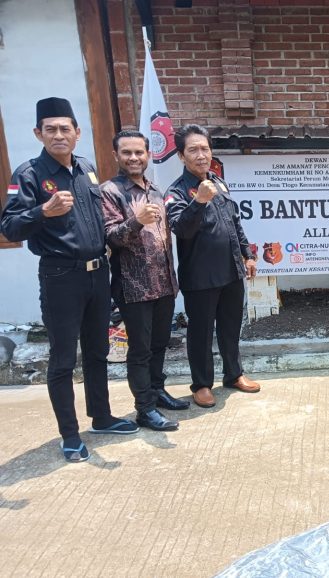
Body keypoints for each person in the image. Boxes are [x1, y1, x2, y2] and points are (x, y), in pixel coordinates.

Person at [0, 97, 138, 462]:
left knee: (98, 351)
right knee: (63, 359)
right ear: (39, 133)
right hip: (61, 276)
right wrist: (42, 211)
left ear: (77, 133)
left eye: (65, 129)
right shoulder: (29, 175)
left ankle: (102, 417)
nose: (59, 135)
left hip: (98, 273)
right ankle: (70, 435)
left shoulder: (86, 169)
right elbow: (9, 226)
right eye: (51, 129)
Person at [165, 124, 261, 408]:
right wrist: (198, 202)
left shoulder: (219, 181)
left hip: (231, 271)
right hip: (200, 277)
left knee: (231, 327)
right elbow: (181, 229)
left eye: (205, 149)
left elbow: (234, 222)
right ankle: (202, 384)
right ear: (181, 156)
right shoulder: (176, 192)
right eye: (193, 150)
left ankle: (234, 374)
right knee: (201, 333)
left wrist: (247, 254)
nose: (201, 155)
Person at [101, 130, 189, 432]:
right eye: (127, 152)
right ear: (116, 155)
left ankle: (157, 391)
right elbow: (111, 237)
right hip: (133, 286)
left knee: (159, 344)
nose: (134, 158)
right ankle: (144, 408)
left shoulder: (154, 190)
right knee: (140, 350)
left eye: (139, 152)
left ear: (148, 155)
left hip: (163, 283)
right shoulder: (110, 192)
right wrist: (136, 221)